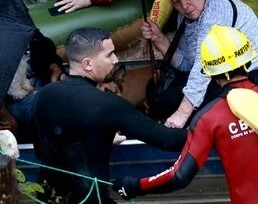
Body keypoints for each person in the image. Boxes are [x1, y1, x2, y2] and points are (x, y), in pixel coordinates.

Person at [112, 25, 258, 203]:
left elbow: (179, 176)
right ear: (249, 60)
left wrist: (134, 185)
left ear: (208, 72)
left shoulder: (208, 119)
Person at [32, 27, 187, 204]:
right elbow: (167, 140)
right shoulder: (108, 104)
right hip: (91, 200)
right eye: (109, 55)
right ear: (87, 64)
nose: (115, 60)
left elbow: (40, 148)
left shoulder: (42, 96)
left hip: (46, 198)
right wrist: (206, 125)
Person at [141, 0, 258, 129]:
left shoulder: (214, 14)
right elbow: (187, 64)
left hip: (245, 77)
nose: (184, 6)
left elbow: (202, 68)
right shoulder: (188, 16)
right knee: (162, 97)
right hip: (218, 76)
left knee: (174, 104)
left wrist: (182, 113)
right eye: (177, 2)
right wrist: (159, 39)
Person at [4, 29, 66, 140]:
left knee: (78, 80)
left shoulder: (21, 25)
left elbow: (44, 48)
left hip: (39, 78)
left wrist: (54, 68)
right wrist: (4, 114)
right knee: (54, 107)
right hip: (10, 101)